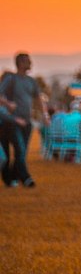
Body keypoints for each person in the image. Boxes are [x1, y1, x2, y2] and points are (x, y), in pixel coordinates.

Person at [0, 53, 45, 188]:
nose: (30, 63)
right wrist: (8, 104)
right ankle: (26, 178)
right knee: (18, 150)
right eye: (28, 61)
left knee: (22, 151)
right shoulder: (11, 79)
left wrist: (45, 116)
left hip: (27, 121)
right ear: (20, 63)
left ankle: (11, 178)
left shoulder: (32, 81)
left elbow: (38, 99)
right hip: (12, 122)